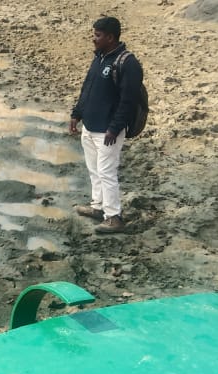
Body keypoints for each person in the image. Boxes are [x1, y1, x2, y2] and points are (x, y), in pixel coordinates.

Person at [68, 16, 144, 234]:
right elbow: (87, 88)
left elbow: (128, 101)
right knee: (94, 170)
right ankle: (98, 207)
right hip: (90, 126)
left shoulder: (127, 63)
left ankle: (114, 217)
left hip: (108, 131)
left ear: (110, 37)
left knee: (106, 172)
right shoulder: (100, 57)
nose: (94, 39)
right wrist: (76, 114)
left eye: (98, 35)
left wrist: (115, 127)